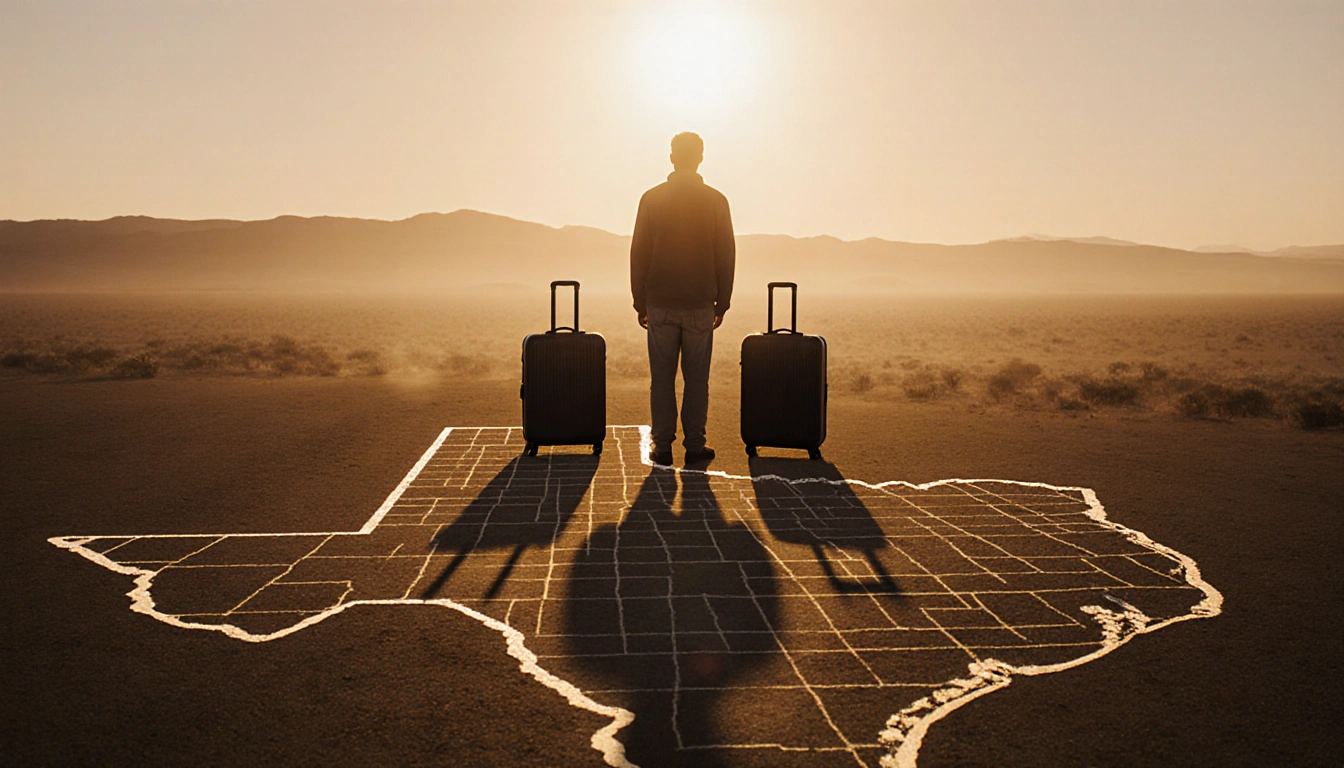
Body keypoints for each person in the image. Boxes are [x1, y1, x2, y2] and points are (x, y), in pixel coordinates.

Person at [630, 132, 735, 467]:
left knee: (661, 380)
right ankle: (694, 445)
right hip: (700, 304)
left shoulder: (651, 199)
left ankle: (662, 447)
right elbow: (726, 254)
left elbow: (639, 253)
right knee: (696, 381)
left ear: (672, 157)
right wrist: (724, 300)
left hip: (660, 303)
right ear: (701, 158)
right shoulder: (716, 201)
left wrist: (639, 300)